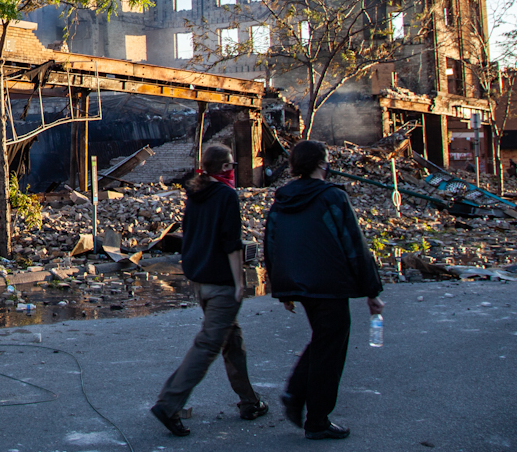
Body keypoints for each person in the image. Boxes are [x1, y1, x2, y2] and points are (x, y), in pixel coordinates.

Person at [265, 140, 385, 441]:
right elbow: (354, 245)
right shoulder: (332, 198)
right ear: (321, 163)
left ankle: (301, 398)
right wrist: (372, 290)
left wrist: (283, 289)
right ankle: (314, 416)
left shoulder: (281, 200)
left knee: (323, 341)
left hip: (299, 284)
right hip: (330, 285)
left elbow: (272, 245)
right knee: (330, 348)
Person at [150, 144, 267, 437]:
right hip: (221, 284)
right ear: (221, 169)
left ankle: (249, 402)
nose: (233, 170)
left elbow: (186, 235)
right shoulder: (227, 196)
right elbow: (232, 242)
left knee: (232, 341)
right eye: (229, 165)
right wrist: (240, 282)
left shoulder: (196, 195)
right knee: (208, 345)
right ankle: (169, 403)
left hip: (201, 283)